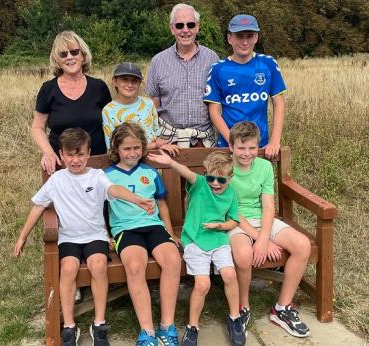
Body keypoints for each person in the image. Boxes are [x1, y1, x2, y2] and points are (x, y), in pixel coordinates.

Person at [13, 128, 154, 346]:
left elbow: (115, 190)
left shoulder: (97, 176)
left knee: (98, 266)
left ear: (88, 154)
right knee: (68, 269)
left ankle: (99, 323)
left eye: (80, 154)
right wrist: (22, 237)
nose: (76, 160)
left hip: (95, 235)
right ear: (61, 155)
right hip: (69, 237)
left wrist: (136, 199)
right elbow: (37, 207)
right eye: (70, 155)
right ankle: (69, 326)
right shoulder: (56, 179)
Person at [147, 150, 246, 346]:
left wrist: (220, 226)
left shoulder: (232, 193)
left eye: (221, 180)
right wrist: (170, 163)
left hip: (218, 239)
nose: (215, 184)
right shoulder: (200, 184)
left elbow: (234, 221)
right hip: (195, 240)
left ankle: (235, 318)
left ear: (230, 177)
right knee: (203, 285)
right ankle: (193, 327)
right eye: (211, 178)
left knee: (229, 275)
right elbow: (187, 173)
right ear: (205, 174)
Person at [227, 121, 311, 338]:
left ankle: (282, 308)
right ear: (231, 147)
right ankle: (243, 306)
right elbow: (230, 212)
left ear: (258, 147)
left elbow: (268, 206)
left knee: (302, 245)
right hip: (236, 221)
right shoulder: (225, 169)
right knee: (244, 255)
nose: (247, 153)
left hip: (263, 219)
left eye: (252, 148)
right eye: (241, 148)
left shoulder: (264, 167)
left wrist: (264, 239)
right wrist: (257, 239)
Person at [104, 122, 182, 346]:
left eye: (137, 148)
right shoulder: (106, 176)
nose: (132, 153)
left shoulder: (149, 171)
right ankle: (147, 331)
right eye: (126, 149)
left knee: (172, 260)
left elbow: (161, 203)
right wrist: (104, 235)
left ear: (143, 147)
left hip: (154, 226)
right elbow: (96, 209)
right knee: (135, 265)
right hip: (125, 230)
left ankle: (167, 327)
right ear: (116, 149)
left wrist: (169, 231)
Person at [204, 14, 287, 159]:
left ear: (256, 38)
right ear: (230, 38)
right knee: (228, 181)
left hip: (259, 146)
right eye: (239, 36)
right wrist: (232, 141)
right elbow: (214, 110)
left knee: (258, 181)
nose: (244, 42)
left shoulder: (268, 64)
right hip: (228, 146)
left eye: (249, 36)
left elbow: (279, 102)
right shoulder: (218, 69)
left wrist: (274, 141)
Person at [32, 30, 112, 176]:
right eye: (63, 54)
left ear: (83, 55)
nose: (69, 57)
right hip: (61, 165)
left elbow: (112, 123)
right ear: (57, 59)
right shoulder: (48, 89)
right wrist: (48, 153)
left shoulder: (99, 87)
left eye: (74, 52)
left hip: (96, 162)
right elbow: (37, 127)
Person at [146, 3, 219, 148]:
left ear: (197, 27)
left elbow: (218, 102)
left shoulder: (212, 59)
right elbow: (153, 103)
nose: (185, 30)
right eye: (180, 25)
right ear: (172, 29)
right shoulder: (158, 61)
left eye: (190, 25)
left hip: (203, 141)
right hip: (170, 141)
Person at [102, 62, 179, 156]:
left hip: (153, 158)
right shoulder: (108, 110)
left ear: (140, 83)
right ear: (115, 81)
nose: (130, 84)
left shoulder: (148, 104)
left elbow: (156, 132)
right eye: (124, 80)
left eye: (135, 80)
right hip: (127, 161)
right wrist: (154, 145)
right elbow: (113, 146)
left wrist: (159, 141)